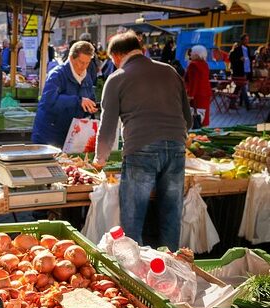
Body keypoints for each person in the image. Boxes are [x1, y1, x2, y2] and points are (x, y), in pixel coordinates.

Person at [93, 31, 192, 251]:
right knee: (171, 214)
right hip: (176, 148)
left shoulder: (117, 77)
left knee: (133, 216)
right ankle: (171, 269)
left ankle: (134, 274)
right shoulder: (170, 72)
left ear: (117, 56)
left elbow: (108, 126)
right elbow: (189, 119)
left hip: (141, 149)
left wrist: (100, 160)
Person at [31, 41, 97, 148]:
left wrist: (90, 108)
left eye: (87, 63)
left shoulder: (87, 78)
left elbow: (90, 99)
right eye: (80, 62)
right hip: (49, 135)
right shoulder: (57, 75)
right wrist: (78, 101)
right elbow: (48, 102)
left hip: (71, 135)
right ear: (71, 58)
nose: (83, 66)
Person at [184, 45, 212, 127]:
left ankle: (196, 135)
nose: (190, 55)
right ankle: (203, 133)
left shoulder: (193, 65)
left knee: (195, 117)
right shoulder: (205, 64)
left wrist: (190, 96)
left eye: (192, 53)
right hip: (205, 93)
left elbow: (193, 82)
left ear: (196, 54)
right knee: (203, 117)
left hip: (196, 95)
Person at [229, 34, 253, 109]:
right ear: (242, 40)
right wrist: (239, 59)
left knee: (239, 87)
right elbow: (231, 58)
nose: (247, 41)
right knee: (243, 87)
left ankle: (233, 104)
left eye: (248, 39)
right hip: (240, 71)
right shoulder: (238, 48)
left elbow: (249, 58)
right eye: (245, 39)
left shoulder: (248, 48)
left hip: (247, 70)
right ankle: (248, 105)